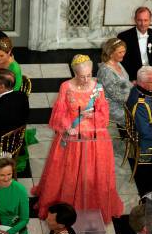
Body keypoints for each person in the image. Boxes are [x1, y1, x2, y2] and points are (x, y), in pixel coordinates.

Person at [32, 55, 123, 223]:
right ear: (74, 73)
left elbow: (104, 115)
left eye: (89, 75)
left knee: (92, 174)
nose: (86, 79)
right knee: (68, 173)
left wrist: (94, 113)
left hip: (94, 140)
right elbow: (59, 112)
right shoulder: (65, 87)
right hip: (72, 138)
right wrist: (68, 127)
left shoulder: (98, 89)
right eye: (82, 76)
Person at [117, 6, 152, 81]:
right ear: (135, 20)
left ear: (150, 20)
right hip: (133, 76)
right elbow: (123, 62)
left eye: (145, 20)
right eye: (139, 20)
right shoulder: (124, 36)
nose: (143, 24)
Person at [96, 37, 133, 126]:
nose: (123, 54)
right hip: (114, 108)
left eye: (124, 51)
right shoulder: (106, 72)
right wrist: (137, 99)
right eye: (120, 52)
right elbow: (118, 97)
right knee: (142, 116)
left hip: (125, 100)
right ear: (111, 53)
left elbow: (126, 83)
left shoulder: (117, 63)